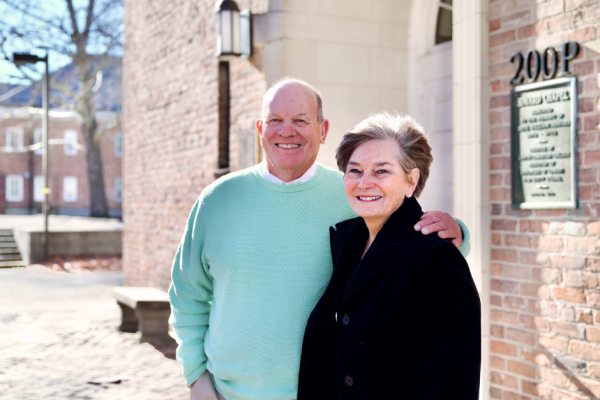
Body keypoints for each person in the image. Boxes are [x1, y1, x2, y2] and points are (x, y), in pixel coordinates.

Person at [168, 78, 472, 400]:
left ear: (323, 130)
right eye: (275, 121)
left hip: (323, 393)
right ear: (260, 129)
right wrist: (196, 377)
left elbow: (408, 242)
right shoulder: (217, 200)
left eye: (301, 120)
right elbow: (187, 293)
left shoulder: (354, 195)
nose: (287, 131)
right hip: (224, 394)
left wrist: (458, 232)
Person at [297, 113, 481, 400]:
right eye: (355, 170)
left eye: (381, 171)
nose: (365, 183)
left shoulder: (434, 258)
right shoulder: (349, 243)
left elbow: (451, 386)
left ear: (412, 181)